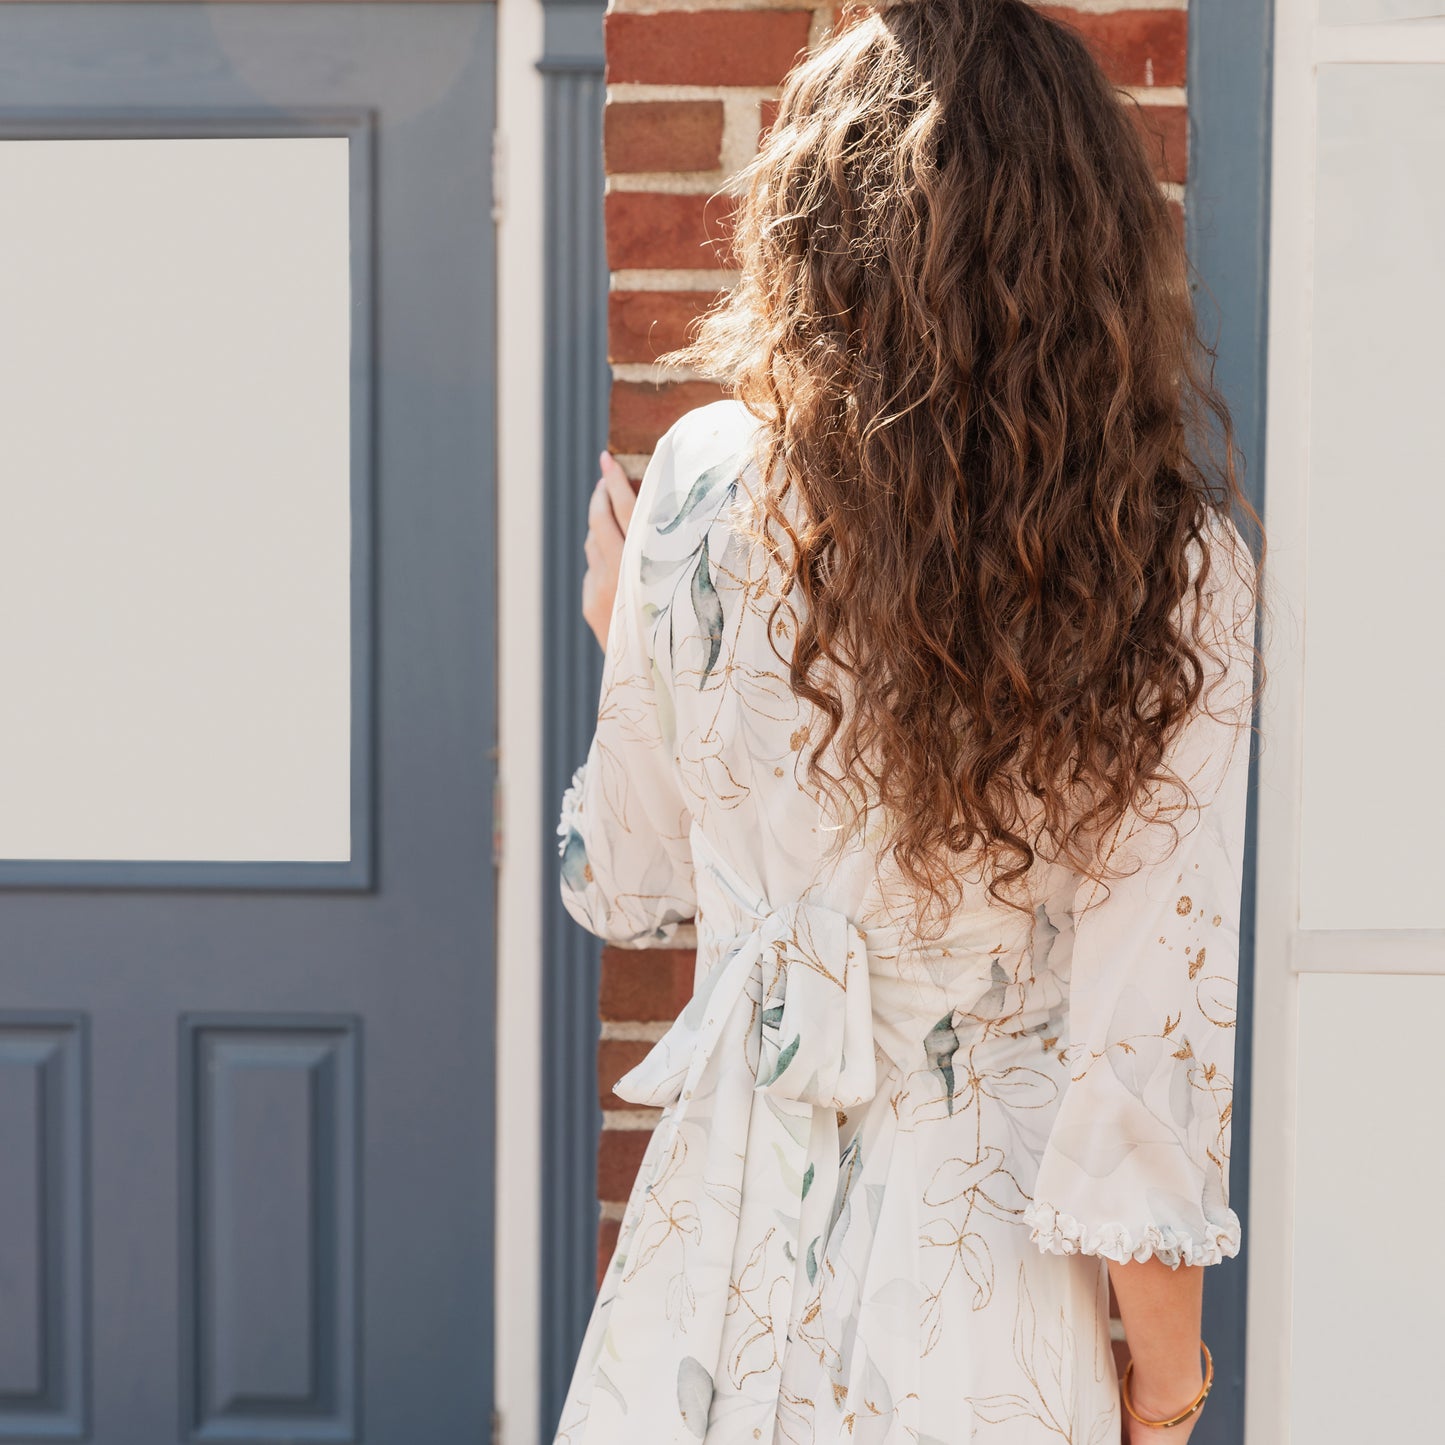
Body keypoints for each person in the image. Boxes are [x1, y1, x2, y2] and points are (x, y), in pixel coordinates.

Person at [554, 1, 1264, 1440]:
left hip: (709, 1276)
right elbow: (1138, 1069)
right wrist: (1166, 1388)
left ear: (815, 223)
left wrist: (634, 639)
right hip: (978, 1311)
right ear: (1092, 250)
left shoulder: (696, 480)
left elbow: (615, 884)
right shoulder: (1169, 568)